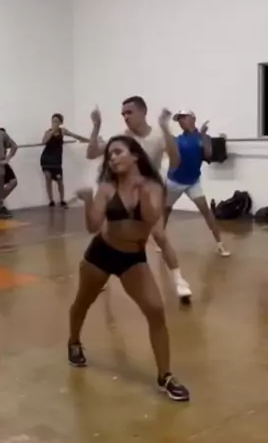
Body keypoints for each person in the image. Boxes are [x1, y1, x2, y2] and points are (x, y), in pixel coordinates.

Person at [69, 135, 189, 402]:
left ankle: (165, 376)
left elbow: (151, 218)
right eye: (109, 155)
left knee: (155, 310)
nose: (112, 158)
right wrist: (88, 200)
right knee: (82, 302)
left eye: (118, 152)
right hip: (101, 253)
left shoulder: (153, 186)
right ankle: (74, 341)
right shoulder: (106, 188)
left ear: (134, 155)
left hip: (132, 258)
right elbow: (92, 226)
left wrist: (142, 193)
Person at [87, 98, 192, 301]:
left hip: (150, 192)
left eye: (130, 112)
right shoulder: (123, 138)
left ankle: (179, 280)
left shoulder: (158, 135)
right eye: (123, 114)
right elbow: (91, 153)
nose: (126, 117)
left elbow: (176, 162)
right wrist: (96, 126)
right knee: (109, 234)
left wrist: (165, 127)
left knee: (159, 235)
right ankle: (102, 274)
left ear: (143, 112)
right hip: (125, 192)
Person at [165, 110, 230, 256]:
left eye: (183, 118)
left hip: (193, 182)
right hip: (174, 183)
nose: (181, 121)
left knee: (206, 212)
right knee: (165, 211)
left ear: (192, 118)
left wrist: (203, 135)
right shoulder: (178, 140)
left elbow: (208, 154)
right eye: (179, 119)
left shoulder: (203, 138)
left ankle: (220, 245)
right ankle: (160, 241)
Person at [41, 113, 88, 207]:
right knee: (48, 179)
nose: (54, 123)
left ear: (60, 123)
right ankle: (51, 201)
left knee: (59, 180)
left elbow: (76, 136)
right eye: (53, 121)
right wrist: (52, 132)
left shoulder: (63, 131)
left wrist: (89, 140)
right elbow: (44, 141)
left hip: (57, 160)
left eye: (56, 121)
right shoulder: (48, 132)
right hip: (46, 159)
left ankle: (62, 200)